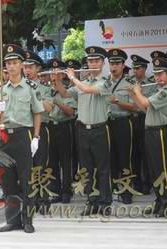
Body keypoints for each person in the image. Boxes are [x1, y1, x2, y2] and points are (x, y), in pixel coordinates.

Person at [54, 46, 112, 214]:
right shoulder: (83, 82)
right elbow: (65, 94)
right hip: (82, 130)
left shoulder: (106, 81)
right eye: (90, 61)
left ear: (102, 63)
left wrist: (72, 77)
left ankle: (105, 202)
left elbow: (88, 90)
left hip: (100, 129)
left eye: (96, 60)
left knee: (102, 168)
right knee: (86, 168)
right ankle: (91, 201)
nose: (93, 63)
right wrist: (58, 79)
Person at [0, 44, 44, 233]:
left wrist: (36, 136)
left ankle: (27, 220)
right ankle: (12, 220)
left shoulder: (29, 88)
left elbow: (38, 112)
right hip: (5, 136)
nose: (11, 66)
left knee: (26, 179)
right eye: (8, 63)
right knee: (7, 180)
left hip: (23, 135)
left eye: (15, 62)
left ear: (22, 65)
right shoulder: (0, 91)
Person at [128, 58, 167, 217]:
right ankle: (159, 199)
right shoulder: (158, 90)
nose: (158, 78)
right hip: (151, 132)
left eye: (161, 74)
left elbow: (147, 103)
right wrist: (132, 94)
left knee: (162, 168)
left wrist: (138, 91)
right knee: (154, 169)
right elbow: (143, 108)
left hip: (161, 132)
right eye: (156, 75)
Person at [23, 50, 53, 211]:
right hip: (24, 130)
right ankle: (30, 201)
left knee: (41, 166)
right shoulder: (19, 86)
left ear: (38, 68)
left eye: (30, 67)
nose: (27, 70)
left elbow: (48, 107)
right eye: (25, 67)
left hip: (41, 130)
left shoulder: (43, 87)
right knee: (26, 167)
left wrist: (35, 92)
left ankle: (43, 200)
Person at [106, 48, 137, 204]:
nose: (114, 66)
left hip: (123, 122)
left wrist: (117, 101)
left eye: (117, 63)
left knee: (125, 157)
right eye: (112, 63)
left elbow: (135, 107)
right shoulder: (104, 82)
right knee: (109, 157)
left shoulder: (130, 84)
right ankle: (111, 188)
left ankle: (126, 191)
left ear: (123, 65)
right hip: (106, 123)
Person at [48, 59, 76, 204]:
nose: (54, 75)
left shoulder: (68, 89)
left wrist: (57, 102)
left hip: (64, 126)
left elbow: (70, 112)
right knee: (52, 161)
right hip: (50, 127)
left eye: (58, 72)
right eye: (52, 72)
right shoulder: (45, 88)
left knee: (66, 161)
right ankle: (55, 191)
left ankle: (66, 191)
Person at [129, 54, 154, 195]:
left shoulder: (151, 82)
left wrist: (138, 95)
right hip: (132, 119)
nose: (135, 70)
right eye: (133, 68)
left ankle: (147, 183)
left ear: (144, 69)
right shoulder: (129, 82)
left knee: (146, 153)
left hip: (145, 118)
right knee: (134, 153)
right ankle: (136, 182)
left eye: (137, 68)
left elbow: (148, 103)